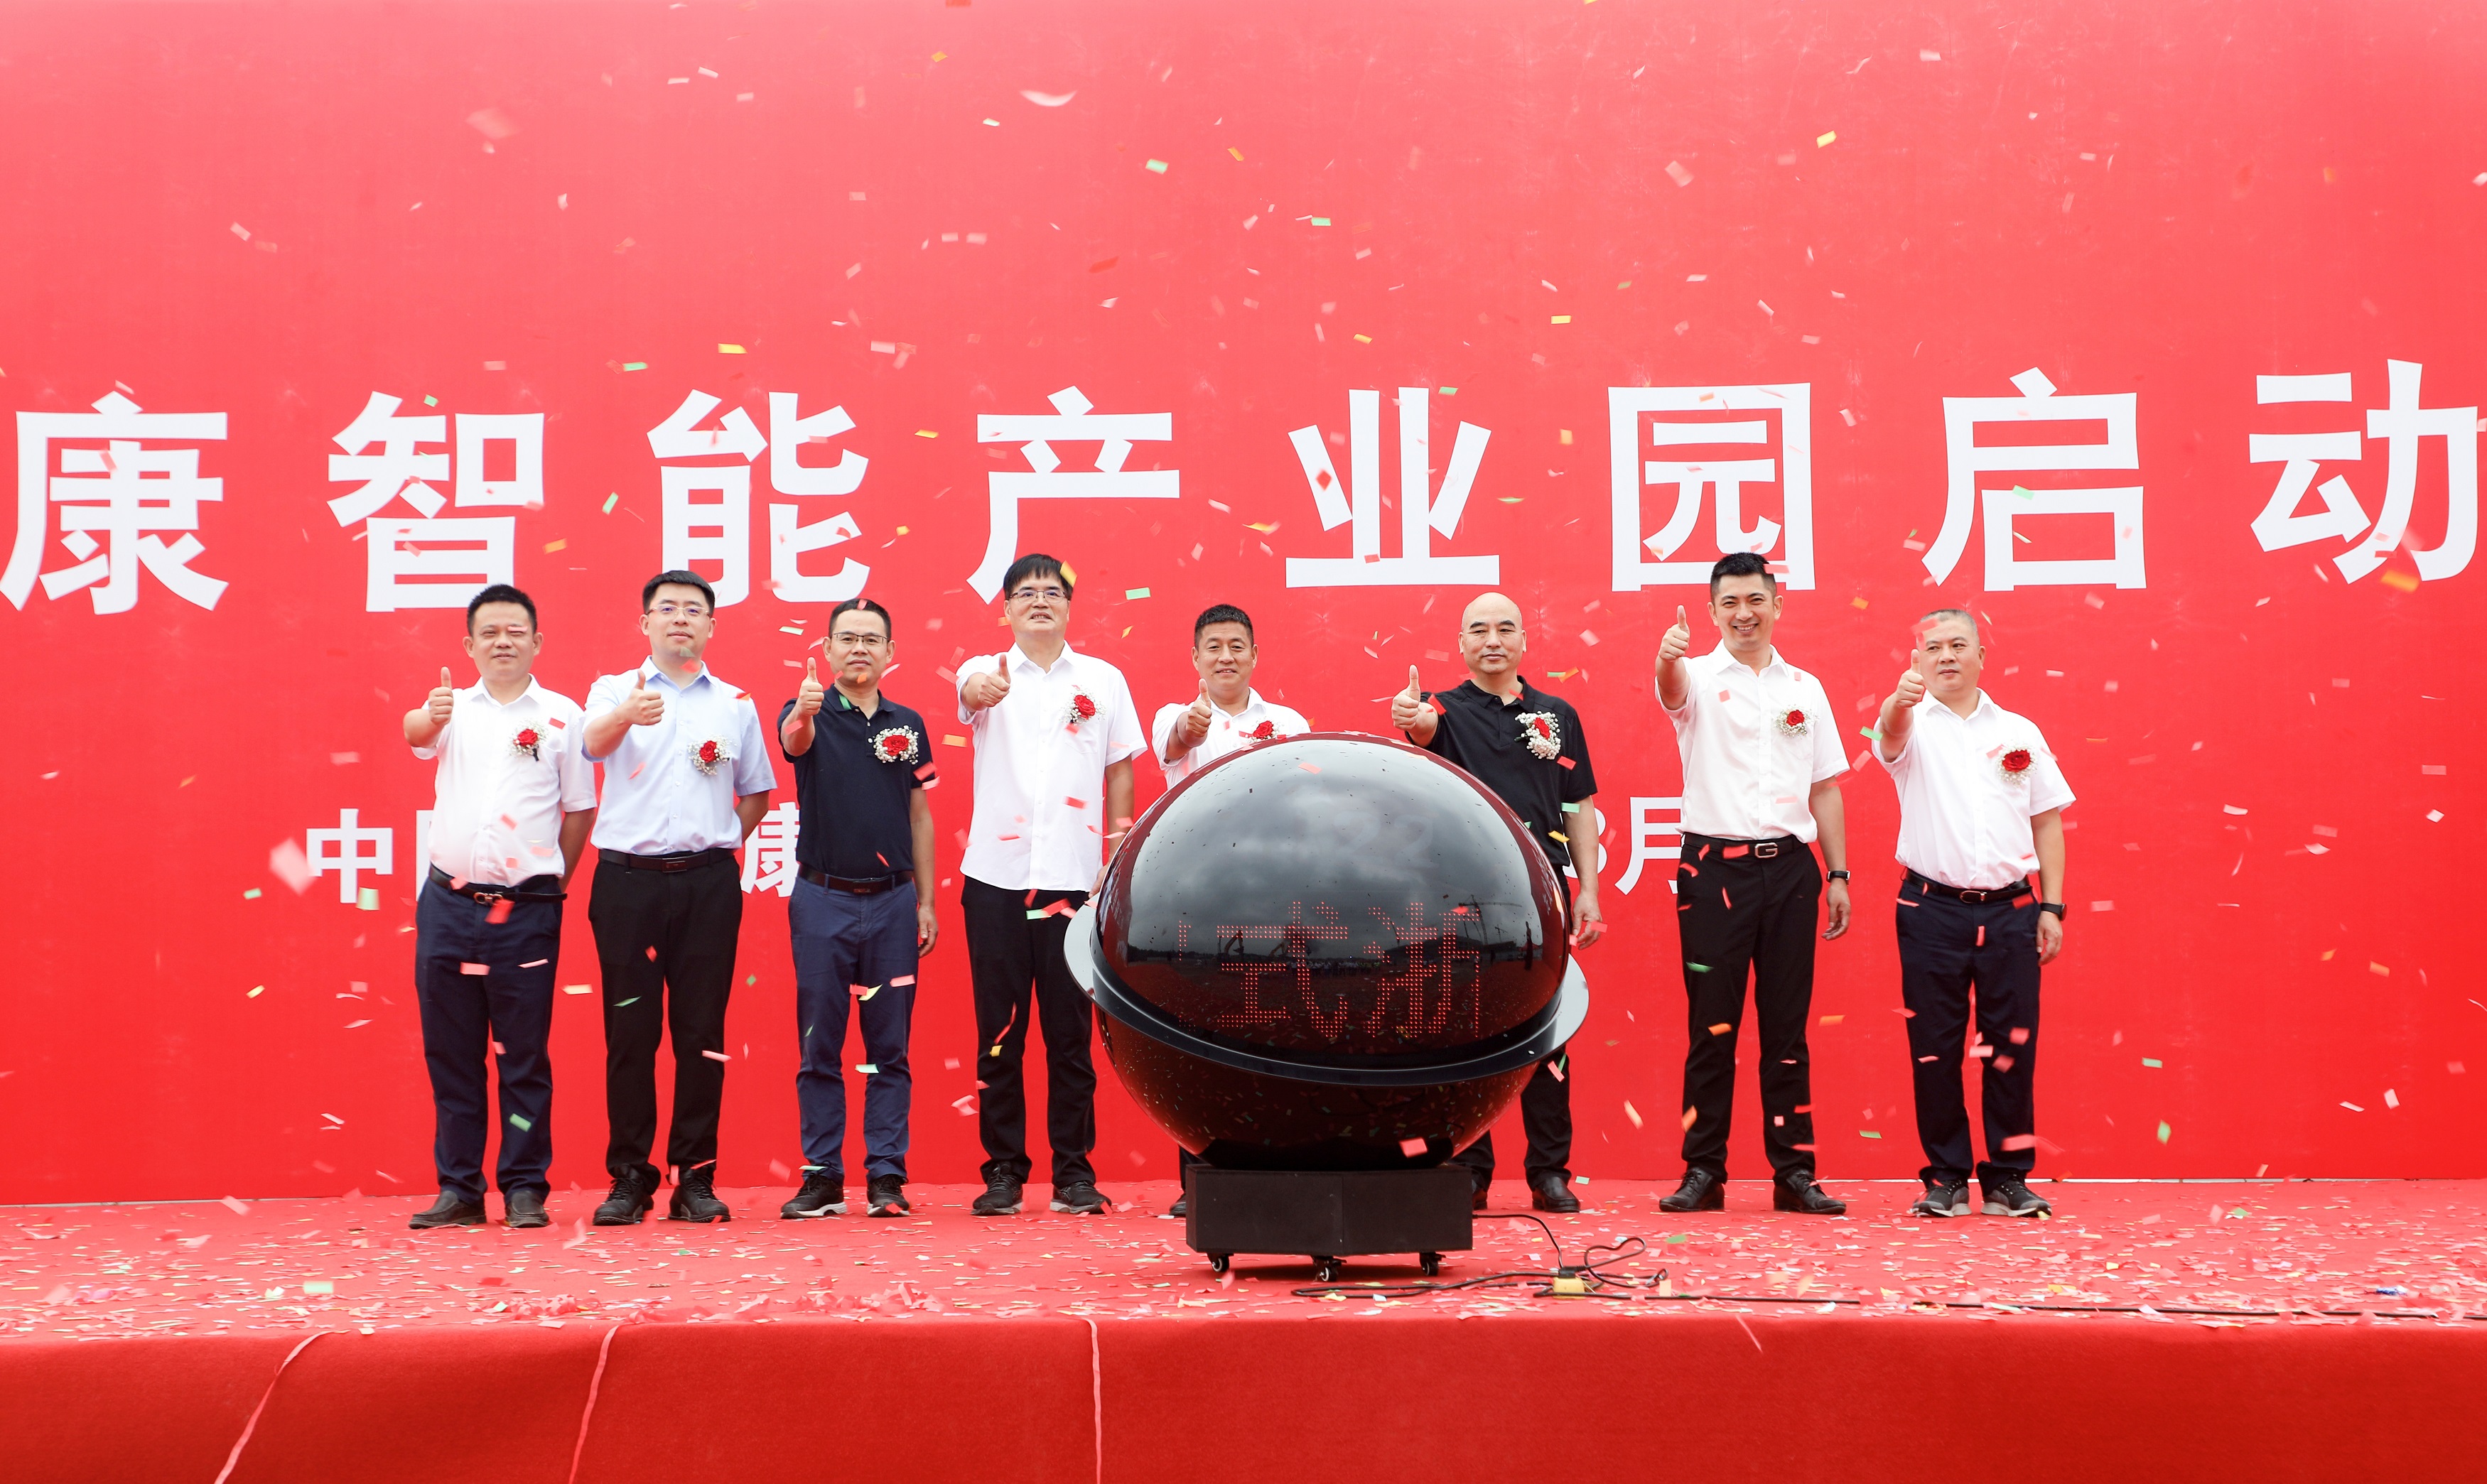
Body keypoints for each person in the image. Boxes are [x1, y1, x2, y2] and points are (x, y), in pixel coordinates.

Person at [1390, 592, 1605, 1215]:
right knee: (1463, 1032)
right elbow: (1420, 727)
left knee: (1548, 1033)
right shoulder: (1443, 709)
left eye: (1505, 628)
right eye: (1479, 629)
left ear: (1524, 641)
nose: (1493, 639)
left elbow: (1578, 805)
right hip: (1459, 897)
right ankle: (1469, 1167)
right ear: (1461, 643)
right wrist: (1411, 716)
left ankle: (1550, 1171)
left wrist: (1588, 890)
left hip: (1542, 893)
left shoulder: (1557, 715)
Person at [1653, 551, 1852, 1216]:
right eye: (1730, 603)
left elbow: (1825, 787)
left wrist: (1838, 873)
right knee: (1712, 1026)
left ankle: (1794, 1171)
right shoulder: (1696, 676)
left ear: (1777, 604)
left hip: (1792, 870)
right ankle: (1703, 1169)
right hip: (1713, 870)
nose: (1744, 614)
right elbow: (1671, 689)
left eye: (1755, 600)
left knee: (1787, 1031)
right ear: (1712, 612)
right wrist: (1668, 658)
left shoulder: (1807, 688)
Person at [581, 570, 775, 1225]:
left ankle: (696, 1176)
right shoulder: (614, 690)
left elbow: (756, 792)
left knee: (701, 1033)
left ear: (712, 626)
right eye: (667, 608)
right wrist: (625, 716)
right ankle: (629, 1177)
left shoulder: (736, 702)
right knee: (629, 1035)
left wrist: (715, 843)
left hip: (707, 885)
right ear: (646, 623)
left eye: (694, 609)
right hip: (627, 884)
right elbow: (591, 744)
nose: (681, 618)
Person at [401, 584, 598, 1230]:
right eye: (490, 632)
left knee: (523, 1055)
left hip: (526, 911)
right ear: (469, 645)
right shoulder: (450, 707)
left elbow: (579, 810)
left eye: (516, 631)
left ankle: (524, 1186)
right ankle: (459, 1187)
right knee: (451, 1052)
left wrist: (551, 881)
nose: (503, 641)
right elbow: (413, 734)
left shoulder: (563, 716)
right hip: (448, 904)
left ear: (537, 642)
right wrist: (430, 713)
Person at [956, 553, 1145, 1217]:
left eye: (1052, 592)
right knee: (999, 1035)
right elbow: (971, 693)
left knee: (1070, 1036)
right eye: (1026, 592)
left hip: (1072, 882)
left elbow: (1120, 770)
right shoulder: (984, 670)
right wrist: (983, 690)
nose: (1040, 600)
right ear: (1006, 608)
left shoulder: (1104, 679)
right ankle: (1003, 1171)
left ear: (1069, 607)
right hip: (996, 881)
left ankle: (1074, 1172)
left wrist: (1114, 854)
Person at [1872, 610, 2072, 1218]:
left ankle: (2009, 1177)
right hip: (1930, 909)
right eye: (1933, 647)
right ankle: (1946, 1177)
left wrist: (2052, 905)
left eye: (1959, 645)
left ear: (1982, 655)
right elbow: (1888, 735)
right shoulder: (1910, 725)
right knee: (1934, 1045)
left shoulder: (2018, 730)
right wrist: (1898, 701)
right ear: (1917, 660)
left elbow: (2047, 821)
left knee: (2011, 1045)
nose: (1946, 656)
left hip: (2012, 909)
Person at [775, 597, 940, 1220]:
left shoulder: (909, 722)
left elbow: (920, 814)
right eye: (847, 638)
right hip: (823, 899)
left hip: (894, 902)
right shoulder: (806, 709)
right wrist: (804, 710)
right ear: (827, 647)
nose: (859, 648)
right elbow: (795, 741)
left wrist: (926, 900)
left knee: (889, 1047)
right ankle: (821, 1175)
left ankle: (886, 1175)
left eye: (872, 638)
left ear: (890, 651)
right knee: (819, 1043)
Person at [1150, 602, 1309, 1215]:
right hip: (1197, 898)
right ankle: (1200, 1179)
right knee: (1199, 1034)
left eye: (1236, 645)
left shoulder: (1288, 722)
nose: (1225, 656)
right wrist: (1192, 727)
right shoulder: (1177, 715)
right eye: (1213, 646)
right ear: (1195, 657)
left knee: (1273, 1029)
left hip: (1274, 897)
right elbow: (1177, 740)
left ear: (1255, 655)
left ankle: (1278, 1170)